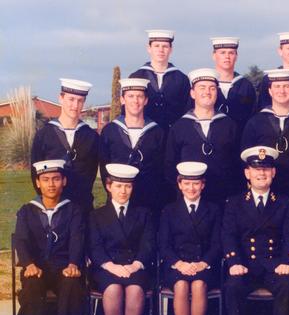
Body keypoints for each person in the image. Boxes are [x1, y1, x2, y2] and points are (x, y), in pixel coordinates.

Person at [222, 146, 289, 315]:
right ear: (247, 173)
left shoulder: (284, 202)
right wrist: (234, 261)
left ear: (273, 173)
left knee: (288, 284)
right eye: (256, 169)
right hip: (245, 265)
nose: (261, 173)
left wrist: (287, 261)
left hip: (274, 264)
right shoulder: (235, 202)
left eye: (266, 169)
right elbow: (228, 235)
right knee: (232, 286)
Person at [12, 160, 86, 315]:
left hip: (64, 267)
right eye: (45, 180)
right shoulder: (27, 211)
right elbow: (21, 240)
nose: (51, 184)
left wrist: (73, 263)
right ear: (38, 183)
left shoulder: (74, 210)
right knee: (33, 287)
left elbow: (77, 240)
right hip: (36, 268)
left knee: (72, 285)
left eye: (56, 179)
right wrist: (28, 264)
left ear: (64, 181)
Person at [89, 164, 155, 315]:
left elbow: (148, 243)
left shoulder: (143, 213)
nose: (123, 191)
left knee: (135, 290)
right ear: (109, 187)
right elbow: (95, 247)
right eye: (118, 186)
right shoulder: (97, 215)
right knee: (113, 290)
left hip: (135, 267)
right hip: (107, 268)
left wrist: (136, 265)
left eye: (127, 187)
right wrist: (112, 266)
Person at [159, 162, 222, 315]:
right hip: (177, 266)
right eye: (186, 184)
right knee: (180, 286)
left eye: (196, 184)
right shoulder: (169, 210)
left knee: (198, 285)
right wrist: (178, 263)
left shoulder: (213, 210)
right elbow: (164, 243)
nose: (191, 188)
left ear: (203, 185)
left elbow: (217, 243)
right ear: (179, 185)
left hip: (203, 266)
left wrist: (204, 263)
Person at [165, 68, 241, 204]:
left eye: (212, 88)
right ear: (192, 93)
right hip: (190, 200)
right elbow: (170, 167)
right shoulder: (179, 127)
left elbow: (237, 165)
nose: (207, 92)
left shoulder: (229, 125)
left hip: (223, 199)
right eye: (202, 88)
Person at [242, 69, 289, 196]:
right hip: (267, 190)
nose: (282, 91)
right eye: (277, 86)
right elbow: (246, 160)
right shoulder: (255, 122)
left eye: (286, 86)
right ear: (270, 91)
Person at [31, 78, 98, 213]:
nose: (75, 105)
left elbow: (91, 172)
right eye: (71, 99)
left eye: (80, 101)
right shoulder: (44, 135)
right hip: (53, 207)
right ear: (61, 98)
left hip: (82, 207)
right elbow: (35, 174)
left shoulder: (91, 136)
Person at [99, 78, 165, 212]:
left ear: (146, 100)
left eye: (140, 96)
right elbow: (104, 166)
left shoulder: (157, 131)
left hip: (148, 201)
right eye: (131, 96)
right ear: (122, 99)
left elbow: (161, 168)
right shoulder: (110, 130)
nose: (135, 101)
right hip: (117, 199)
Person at [130, 30, 190, 131]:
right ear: (149, 48)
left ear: (171, 49)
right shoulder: (136, 77)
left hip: (173, 134)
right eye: (156, 46)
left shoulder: (182, 79)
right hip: (145, 135)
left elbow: (187, 110)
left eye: (165, 46)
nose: (161, 50)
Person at [210, 37, 257, 128]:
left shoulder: (246, 86)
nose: (227, 57)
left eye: (231, 53)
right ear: (214, 56)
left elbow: (252, 117)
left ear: (236, 56)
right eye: (222, 52)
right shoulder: (205, 85)